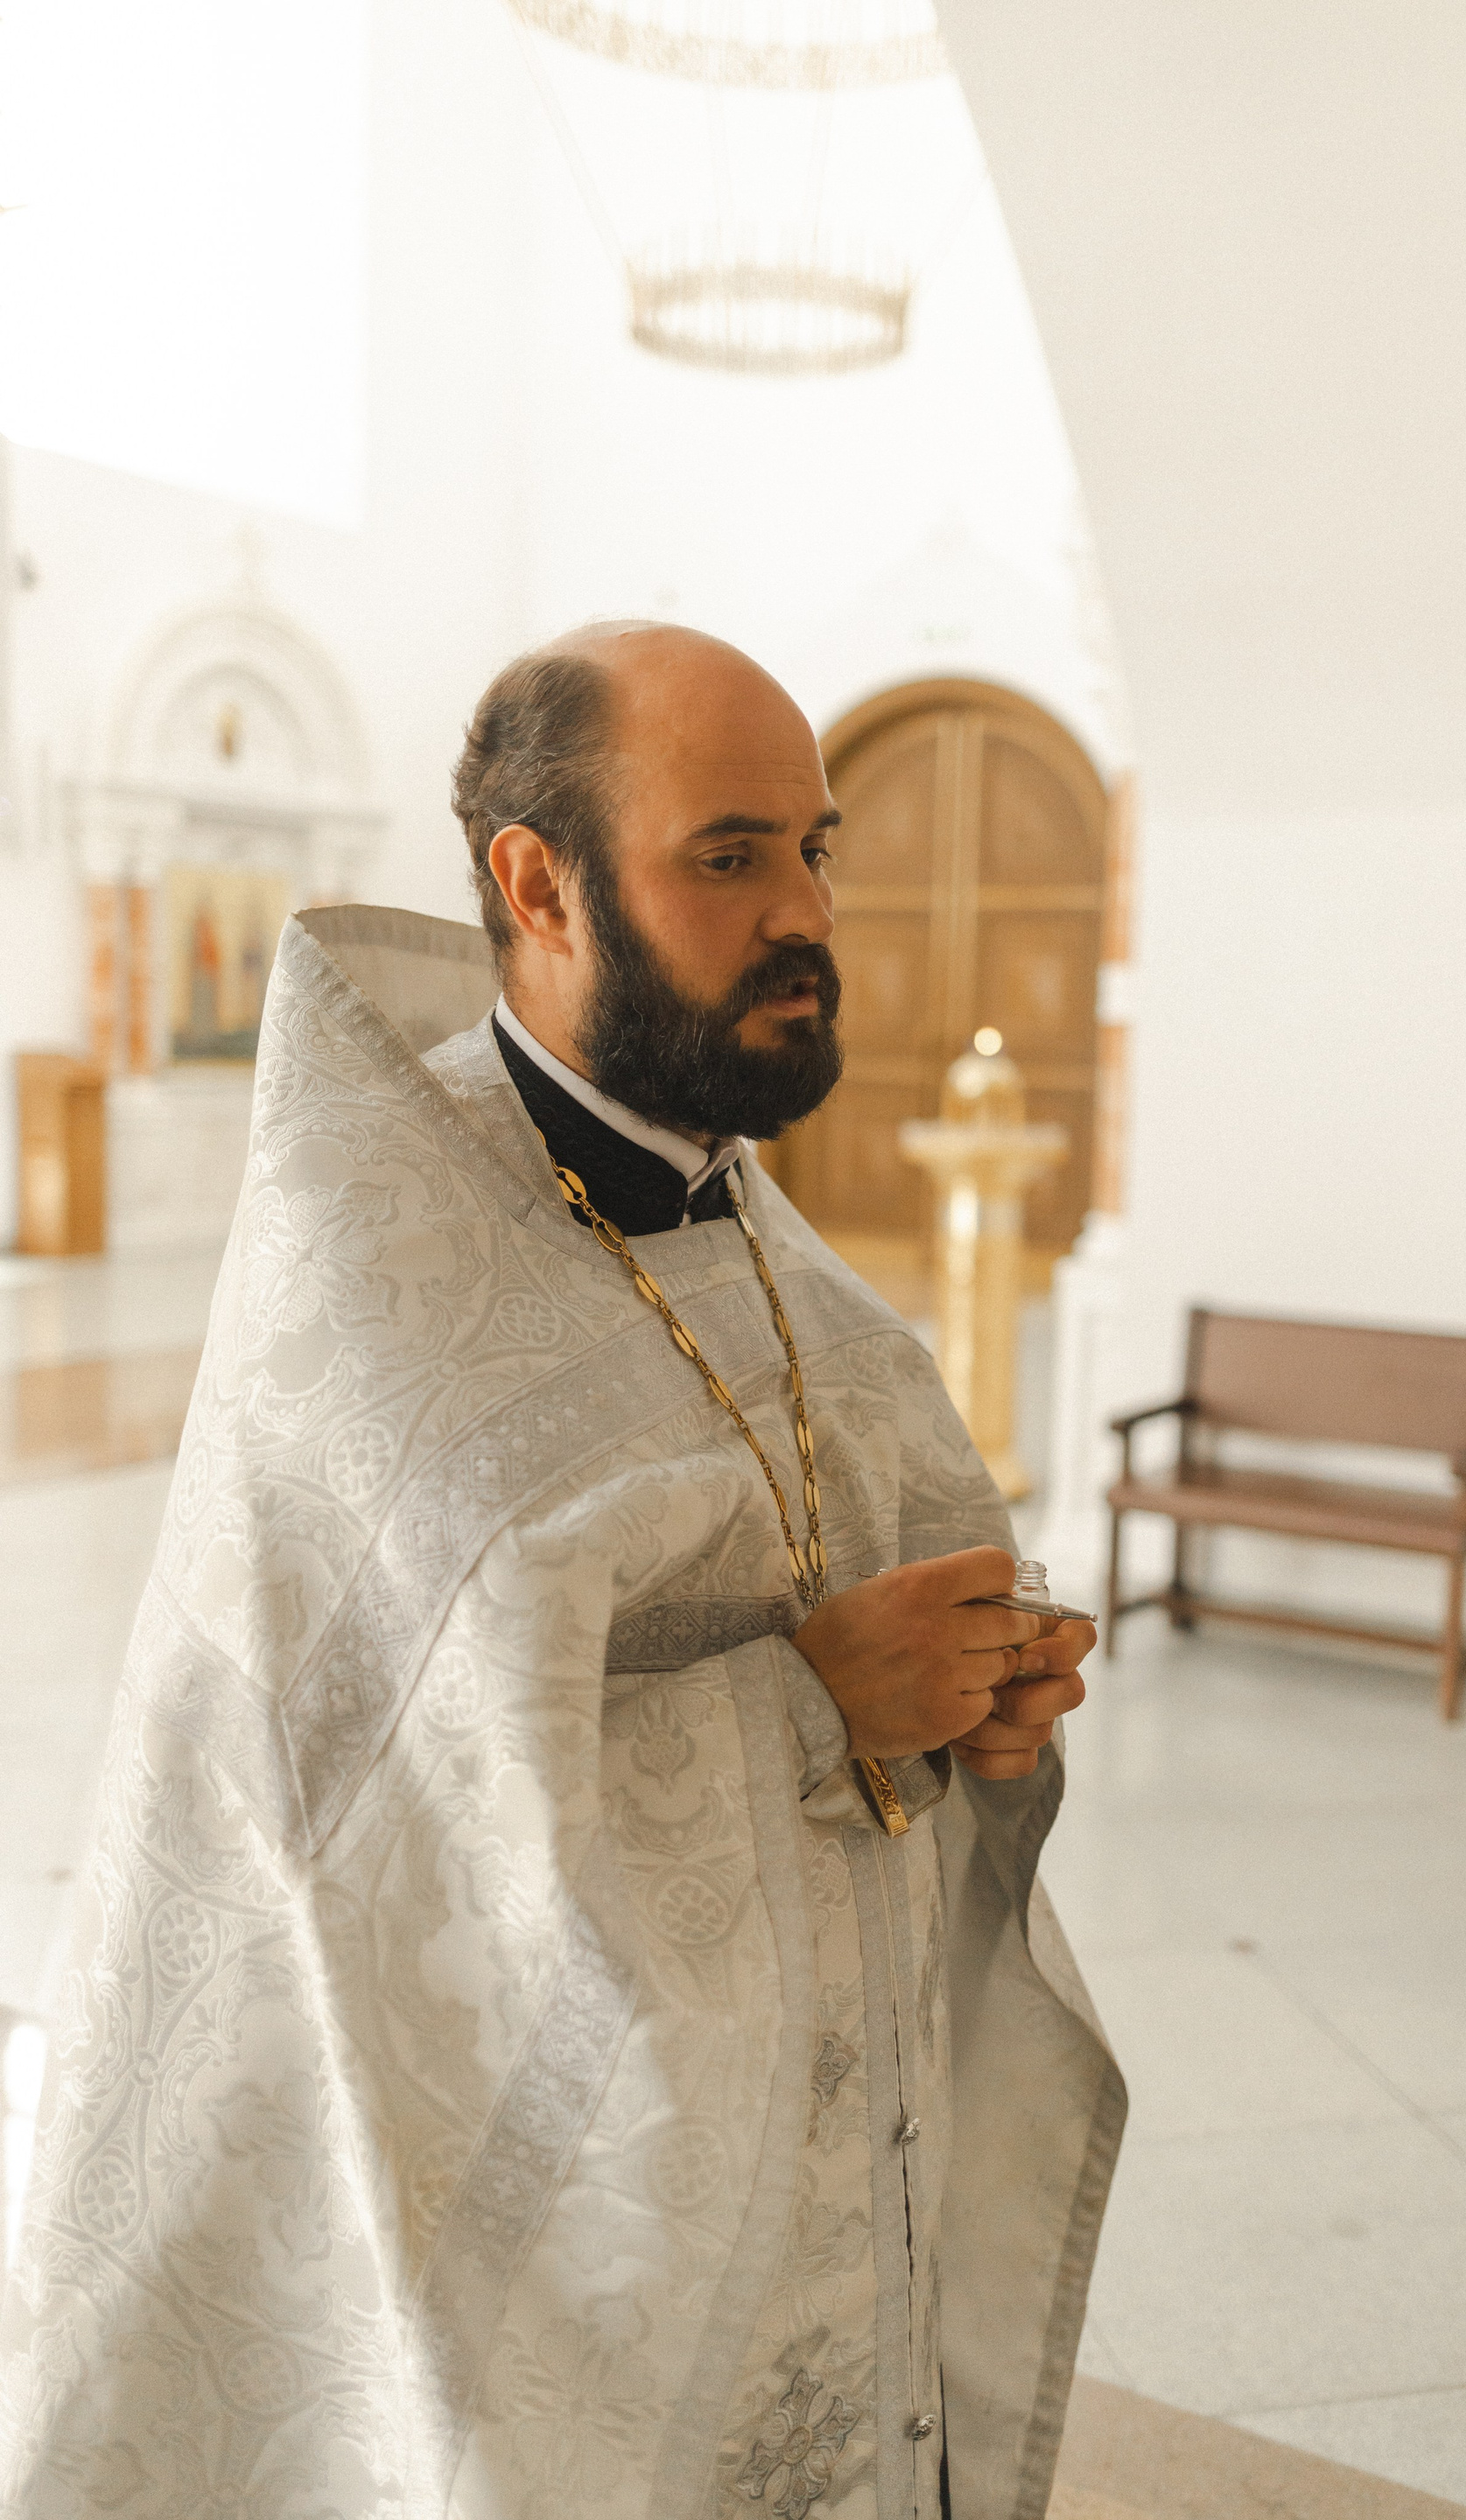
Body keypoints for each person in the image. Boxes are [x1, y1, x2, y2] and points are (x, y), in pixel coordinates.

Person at [0, 624, 1124, 2520]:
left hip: (805, 2191)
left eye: (816, 849)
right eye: (729, 856)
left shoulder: (762, 1238)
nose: (805, 912)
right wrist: (812, 1710)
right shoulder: (378, 1290)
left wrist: (975, 1708)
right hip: (534, 2280)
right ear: (538, 885)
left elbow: (887, 1637)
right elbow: (363, 1837)